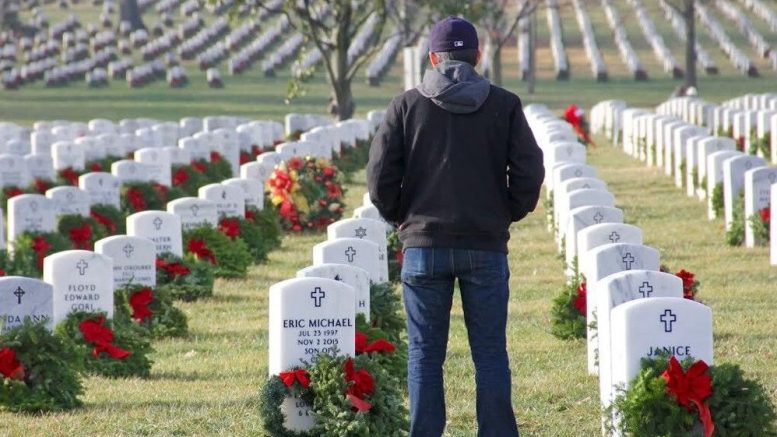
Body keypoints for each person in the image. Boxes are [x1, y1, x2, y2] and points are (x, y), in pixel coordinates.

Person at [366, 16, 545, 437]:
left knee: (425, 355)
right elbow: (529, 171)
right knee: (489, 353)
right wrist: (505, 213)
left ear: (432, 58)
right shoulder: (504, 104)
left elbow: (379, 179)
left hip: (424, 245)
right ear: (478, 56)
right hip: (485, 245)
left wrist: (403, 219)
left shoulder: (406, 106)